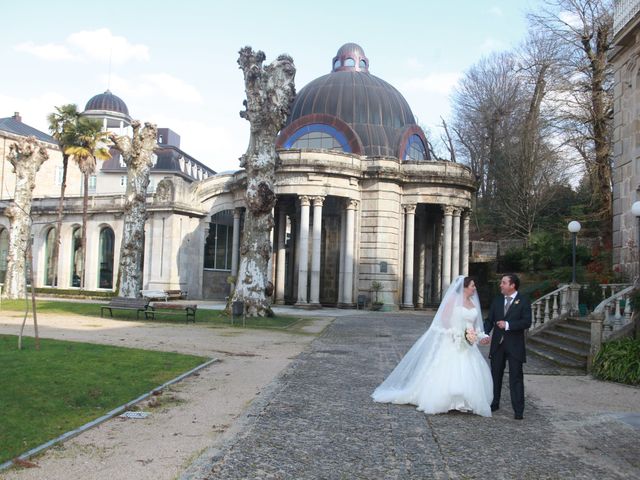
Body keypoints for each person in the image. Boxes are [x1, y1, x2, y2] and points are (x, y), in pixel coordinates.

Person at [372, 276, 493, 417]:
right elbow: (444, 319)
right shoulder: (453, 300)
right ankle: (449, 400)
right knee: (449, 369)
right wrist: (455, 333)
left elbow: (475, 325)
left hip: (468, 342)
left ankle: (465, 401)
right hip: (453, 339)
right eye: (472, 285)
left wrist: (479, 336)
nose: (475, 288)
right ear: (464, 287)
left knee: (470, 369)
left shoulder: (472, 303)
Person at [482, 274, 531, 420]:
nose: (500, 285)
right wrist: (484, 334)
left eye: (503, 283)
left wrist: (508, 325)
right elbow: (490, 320)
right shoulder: (497, 301)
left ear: (512, 285)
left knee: (515, 377)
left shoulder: (523, 301)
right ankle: (494, 403)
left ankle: (518, 410)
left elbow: (527, 322)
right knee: (495, 375)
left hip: (515, 346)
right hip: (498, 345)